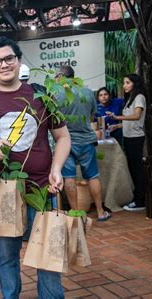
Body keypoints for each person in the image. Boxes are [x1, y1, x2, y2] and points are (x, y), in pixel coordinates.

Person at [0, 36, 71, 299]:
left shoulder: (41, 95)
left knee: (47, 254)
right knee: (7, 256)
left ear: (19, 60)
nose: (4, 65)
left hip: (42, 188)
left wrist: (57, 168)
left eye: (8, 58)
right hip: (2, 190)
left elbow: (63, 137)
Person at [56, 66, 111, 222]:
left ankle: (77, 214)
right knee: (93, 176)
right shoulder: (87, 92)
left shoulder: (56, 94)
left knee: (69, 178)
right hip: (87, 139)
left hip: (65, 142)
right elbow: (92, 115)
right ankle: (100, 212)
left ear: (61, 76)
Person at [108, 74, 146, 211]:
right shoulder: (130, 98)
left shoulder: (139, 97)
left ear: (134, 83)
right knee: (132, 168)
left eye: (127, 82)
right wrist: (117, 126)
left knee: (137, 169)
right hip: (128, 137)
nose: (124, 85)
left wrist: (117, 117)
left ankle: (141, 201)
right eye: (124, 83)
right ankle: (136, 198)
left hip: (136, 138)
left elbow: (136, 116)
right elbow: (128, 121)